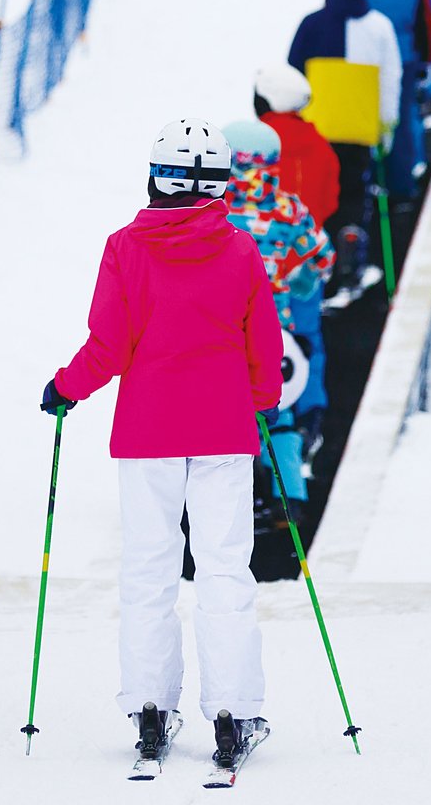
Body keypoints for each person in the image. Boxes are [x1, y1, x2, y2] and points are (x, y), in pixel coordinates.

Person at [41, 119, 281, 775]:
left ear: (155, 176)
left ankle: (150, 707)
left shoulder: (125, 248)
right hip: (223, 432)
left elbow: (108, 346)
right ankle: (232, 711)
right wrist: (262, 405)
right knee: (225, 569)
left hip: (148, 432)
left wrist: (66, 389)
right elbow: (265, 345)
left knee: (149, 568)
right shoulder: (239, 251)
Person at [222, 120, 333, 508]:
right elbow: (322, 257)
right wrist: (298, 279)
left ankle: (228, 499)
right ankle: (290, 497)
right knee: (277, 409)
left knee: (224, 413)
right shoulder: (288, 207)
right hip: (275, 328)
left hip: (220, 326)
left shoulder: (214, 206)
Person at [288, 0, 401, 286]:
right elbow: (391, 81)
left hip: (317, 131)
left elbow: (292, 77)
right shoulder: (381, 27)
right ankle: (351, 254)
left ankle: (316, 260)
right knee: (354, 193)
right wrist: (386, 128)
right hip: (360, 131)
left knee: (319, 195)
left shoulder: (310, 25)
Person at [353, 0, 431, 201]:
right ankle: (401, 188)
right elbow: (426, 20)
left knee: (360, 116)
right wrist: (428, 59)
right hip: (403, 58)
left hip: (360, 55)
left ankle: (363, 183)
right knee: (401, 118)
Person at [253, 64, 340, 231]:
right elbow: (330, 203)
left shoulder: (254, 143)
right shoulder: (321, 145)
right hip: (308, 246)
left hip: (260, 245)